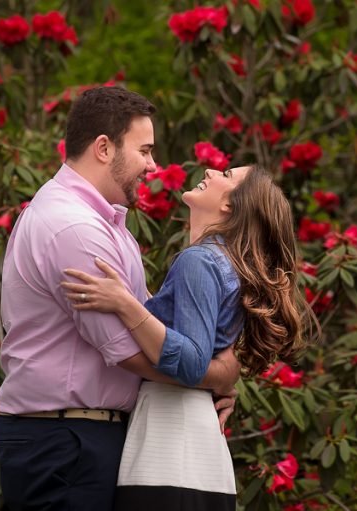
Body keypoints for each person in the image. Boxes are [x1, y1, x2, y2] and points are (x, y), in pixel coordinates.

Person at [0, 86, 241, 511]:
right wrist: (219, 375)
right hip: (64, 442)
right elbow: (130, 353)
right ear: (104, 148)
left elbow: (155, 325)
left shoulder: (109, 226)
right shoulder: (75, 229)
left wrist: (222, 365)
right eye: (144, 151)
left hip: (84, 436)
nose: (153, 165)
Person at [59, 164, 315, 510]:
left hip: (169, 445)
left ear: (230, 205)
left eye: (225, 174)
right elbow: (207, 355)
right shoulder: (224, 264)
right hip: (193, 444)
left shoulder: (200, 261)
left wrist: (124, 304)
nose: (210, 169)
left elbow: (193, 362)